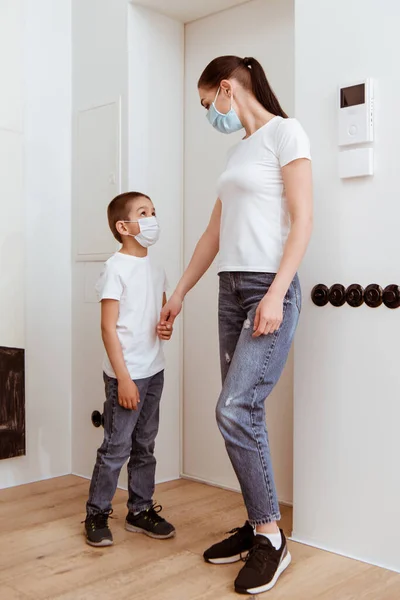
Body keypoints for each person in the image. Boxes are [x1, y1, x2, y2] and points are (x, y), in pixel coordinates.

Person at [159, 56, 313, 594]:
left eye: (208, 104)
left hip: (269, 288)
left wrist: (275, 293)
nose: (210, 113)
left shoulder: (285, 134)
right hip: (230, 290)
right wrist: (179, 293)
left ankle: (271, 539)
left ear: (226, 89)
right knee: (244, 412)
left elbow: (303, 219)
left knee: (234, 408)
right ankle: (257, 523)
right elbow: (212, 234)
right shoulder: (235, 151)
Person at [84, 191, 175, 547]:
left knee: (145, 444)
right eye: (143, 212)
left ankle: (140, 509)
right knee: (116, 447)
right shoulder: (115, 268)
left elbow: (160, 316)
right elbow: (108, 327)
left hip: (154, 370)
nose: (152, 218)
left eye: (153, 211)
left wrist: (165, 327)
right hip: (127, 373)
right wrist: (122, 377)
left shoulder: (157, 267)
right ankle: (96, 513)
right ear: (124, 226)